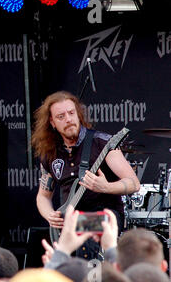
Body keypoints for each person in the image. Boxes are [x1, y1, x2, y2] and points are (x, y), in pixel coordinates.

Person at [31, 91, 140, 259]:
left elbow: (134, 183)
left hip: (105, 218)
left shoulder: (102, 143)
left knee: (81, 228)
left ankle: (92, 279)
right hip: (71, 220)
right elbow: (43, 197)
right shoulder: (50, 154)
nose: (68, 119)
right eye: (61, 116)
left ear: (78, 114)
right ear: (52, 122)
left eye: (71, 113)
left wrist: (106, 187)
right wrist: (50, 216)